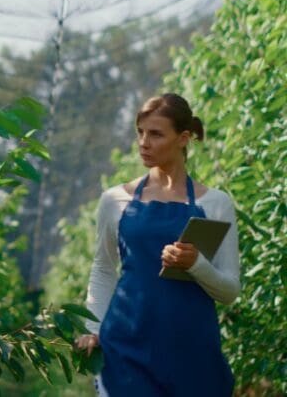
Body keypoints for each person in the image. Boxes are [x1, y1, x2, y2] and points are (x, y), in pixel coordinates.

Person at [73, 93, 241, 396]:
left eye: (155, 134)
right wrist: (92, 329)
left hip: (193, 356)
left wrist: (196, 265)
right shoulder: (115, 200)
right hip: (126, 352)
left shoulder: (215, 203)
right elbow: (103, 269)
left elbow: (229, 291)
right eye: (140, 132)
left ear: (183, 138)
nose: (143, 142)